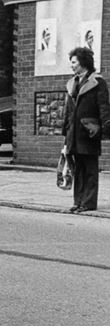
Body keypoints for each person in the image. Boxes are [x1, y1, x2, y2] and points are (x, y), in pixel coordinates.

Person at [62, 46, 110, 214]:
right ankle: (78, 201)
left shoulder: (98, 82)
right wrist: (65, 132)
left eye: (74, 62)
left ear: (83, 62)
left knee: (90, 169)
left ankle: (88, 203)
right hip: (74, 133)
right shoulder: (72, 83)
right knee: (78, 169)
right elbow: (68, 111)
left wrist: (104, 130)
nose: (72, 66)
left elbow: (104, 108)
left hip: (89, 132)